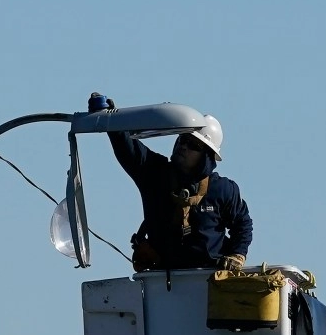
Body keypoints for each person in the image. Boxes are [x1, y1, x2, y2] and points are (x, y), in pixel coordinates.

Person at [90, 93, 253, 273]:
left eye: (193, 145)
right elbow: (130, 150)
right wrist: (112, 121)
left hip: (209, 281)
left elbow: (242, 224)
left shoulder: (223, 189)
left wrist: (237, 254)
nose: (183, 146)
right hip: (164, 281)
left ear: (206, 156)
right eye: (182, 139)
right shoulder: (155, 175)